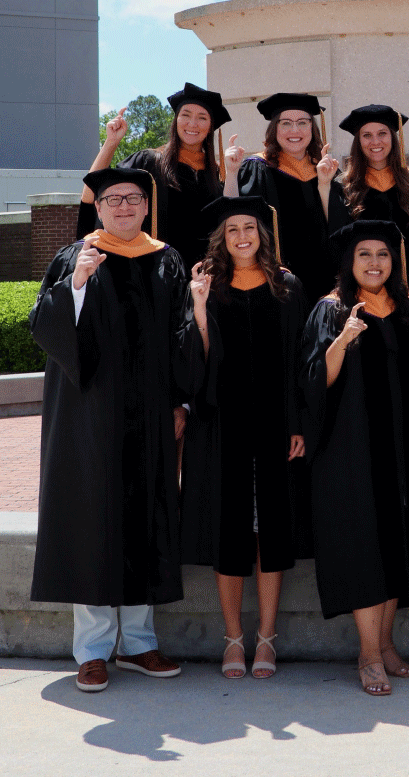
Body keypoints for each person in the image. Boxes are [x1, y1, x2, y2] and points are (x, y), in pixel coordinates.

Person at [29, 168, 202, 693]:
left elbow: (180, 332)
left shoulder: (165, 259)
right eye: (112, 199)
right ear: (98, 207)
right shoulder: (77, 256)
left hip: (150, 414)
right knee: (94, 517)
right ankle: (94, 649)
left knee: (146, 515)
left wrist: (181, 402)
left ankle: (141, 644)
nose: (123, 207)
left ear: (146, 207)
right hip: (90, 414)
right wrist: (77, 283)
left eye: (132, 198)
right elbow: (45, 326)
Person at [301, 220, 409, 696]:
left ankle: (384, 644)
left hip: (405, 446)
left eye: (383, 254)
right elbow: (312, 382)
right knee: (365, 548)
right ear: (349, 262)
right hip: (351, 449)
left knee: (396, 544)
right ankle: (367, 655)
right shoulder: (330, 309)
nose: (374, 263)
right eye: (364, 254)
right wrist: (343, 339)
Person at [180, 196, 306, 680]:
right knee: (229, 528)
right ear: (221, 237)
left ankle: (267, 638)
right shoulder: (208, 286)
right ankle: (234, 638)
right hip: (221, 422)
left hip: (275, 423)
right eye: (231, 229)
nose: (241, 236)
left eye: (248, 227)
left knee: (270, 529)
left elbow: (299, 359)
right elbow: (199, 358)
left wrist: (298, 422)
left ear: (262, 233)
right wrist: (198, 306)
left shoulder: (287, 286)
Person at [77, 82, 231, 270]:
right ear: (176, 120)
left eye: (202, 118)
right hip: (153, 273)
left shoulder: (216, 175)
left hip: (204, 277)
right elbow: (92, 192)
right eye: (186, 115)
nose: (192, 124)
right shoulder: (149, 162)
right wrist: (111, 143)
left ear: (210, 126)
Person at [224, 92, 347, 309]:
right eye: (286, 123)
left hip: (324, 281)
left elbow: (339, 229)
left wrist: (324, 185)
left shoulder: (327, 170)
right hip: (274, 281)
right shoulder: (257, 168)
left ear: (312, 127)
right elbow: (231, 216)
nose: (295, 130)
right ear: (275, 129)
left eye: (302, 122)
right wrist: (232, 173)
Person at [339, 104, 409, 304]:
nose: (375, 141)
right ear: (358, 142)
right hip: (362, 294)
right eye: (366, 135)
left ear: (393, 138)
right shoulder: (344, 187)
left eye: (382, 133)